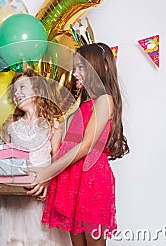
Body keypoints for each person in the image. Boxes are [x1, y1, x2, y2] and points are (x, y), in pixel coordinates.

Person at [27, 43, 130, 246]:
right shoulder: (84, 104)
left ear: (102, 67)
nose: (75, 73)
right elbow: (68, 146)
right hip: (73, 179)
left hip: (92, 179)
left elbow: (85, 146)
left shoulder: (105, 100)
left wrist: (47, 171)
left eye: (81, 67)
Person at [0, 69, 71, 245]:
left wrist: (47, 180)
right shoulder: (11, 125)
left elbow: (57, 160)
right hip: (11, 200)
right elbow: (4, 160)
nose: (17, 93)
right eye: (14, 91)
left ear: (37, 90)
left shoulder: (53, 124)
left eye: (22, 87)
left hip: (37, 197)